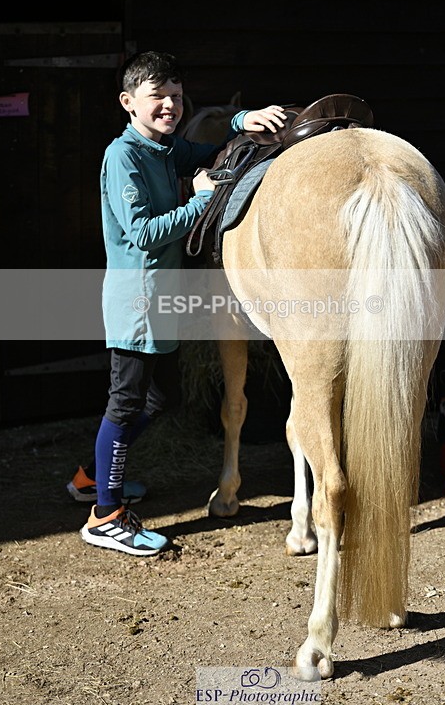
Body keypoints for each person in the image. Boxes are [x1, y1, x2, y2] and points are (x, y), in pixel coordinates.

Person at [67, 50, 286, 556]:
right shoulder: (124, 156)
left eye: (176, 96)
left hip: (161, 301)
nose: (169, 105)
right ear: (128, 102)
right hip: (137, 302)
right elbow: (142, 233)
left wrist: (241, 121)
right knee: (126, 404)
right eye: (156, 96)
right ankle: (106, 515)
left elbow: (206, 149)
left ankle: (93, 479)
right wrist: (201, 200)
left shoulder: (166, 150)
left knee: (154, 400)